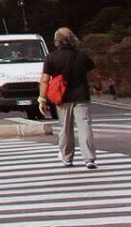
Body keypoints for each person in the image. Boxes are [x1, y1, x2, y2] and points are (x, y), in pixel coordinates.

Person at [42, 27, 97, 168]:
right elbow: (95, 74)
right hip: (81, 95)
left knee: (65, 127)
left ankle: (67, 157)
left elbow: (44, 80)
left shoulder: (51, 58)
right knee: (84, 126)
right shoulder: (82, 56)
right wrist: (98, 87)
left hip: (62, 97)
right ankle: (89, 158)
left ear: (57, 41)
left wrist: (42, 98)